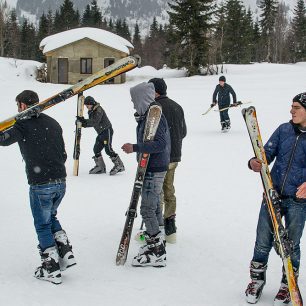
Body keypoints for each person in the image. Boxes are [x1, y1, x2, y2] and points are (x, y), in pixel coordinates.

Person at [0, 90, 76, 285]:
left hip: (41, 183)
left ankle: (50, 268)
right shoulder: (53, 123)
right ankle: (65, 252)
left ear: (23, 106)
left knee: (42, 224)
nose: (18, 108)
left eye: (18, 105)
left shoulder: (22, 125)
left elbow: (3, 139)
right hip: (60, 181)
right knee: (51, 217)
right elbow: (64, 154)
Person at [245, 92, 306, 305]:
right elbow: (266, 154)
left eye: (297, 107)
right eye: (292, 106)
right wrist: (255, 161)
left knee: (291, 244)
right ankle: (256, 280)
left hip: (298, 201)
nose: (292, 110)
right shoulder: (284, 130)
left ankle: (287, 284)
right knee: (262, 240)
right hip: (273, 194)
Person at [121, 82, 170, 267]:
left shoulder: (155, 116)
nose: (134, 104)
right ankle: (157, 239)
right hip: (153, 167)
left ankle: (156, 250)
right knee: (155, 206)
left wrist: (135, 148)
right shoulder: (147, 115)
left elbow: (159, 144)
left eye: (135, 100)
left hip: (154, 169)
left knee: (147, 209)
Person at [148, 78, 187, 243]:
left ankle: (156, 225)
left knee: (156, 191)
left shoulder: (155, 108)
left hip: (159, 157)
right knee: (168, 189)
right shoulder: (177, 106)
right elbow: (183, 131)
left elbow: (149, 134)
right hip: (174, 156)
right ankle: (170, 224)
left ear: (155, 91)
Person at [77, 96, 125, 175]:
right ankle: (100, 167)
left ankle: (119, 165)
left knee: (108, 150)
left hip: (107, 131)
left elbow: (95, 121)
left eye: (87, 105)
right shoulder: (91, 110)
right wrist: (83, 123)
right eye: (86, 105)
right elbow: (92, 122)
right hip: (100, 132)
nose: (86, 107)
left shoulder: (98, 110)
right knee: (96, 149)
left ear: (91, 104)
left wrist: (84, 122)